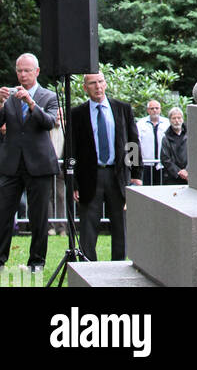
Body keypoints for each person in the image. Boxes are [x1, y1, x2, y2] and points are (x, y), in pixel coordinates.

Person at [67, 70, 143, 261]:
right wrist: (73, 182)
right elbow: (71, 150)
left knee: (120, 226)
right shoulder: (77, 114)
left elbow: (132, 143)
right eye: (92, 83)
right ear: (85, 88)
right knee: (88, 227)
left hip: (117, 176)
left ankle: (118, 265)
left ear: (106, 84)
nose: (97, 86)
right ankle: (88, 267)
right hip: (89, 178)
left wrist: (136, 175)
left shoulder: (122, 109)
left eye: (100, 81)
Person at [0, 53, 60, 270]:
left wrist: (30, 102)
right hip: (11, 163)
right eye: (19, 70)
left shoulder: (49, 96)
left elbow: (49, 122)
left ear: (37, 71)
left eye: (27, 70)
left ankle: (37, 261)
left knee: (39, 216)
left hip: (39, 163)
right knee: (3, 213)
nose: (22, 75)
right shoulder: (8, 97)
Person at [136, 99, 169, 186]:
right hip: (146, 164)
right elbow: (136, 143)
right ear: (148, 110)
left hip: (163, 165)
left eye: (157, 108)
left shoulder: (167, 123)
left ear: (160, 109)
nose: (154, 110)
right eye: (152, 108)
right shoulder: (140, 124)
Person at [159, 108, 188, 184]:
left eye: (179, 118)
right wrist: (179, 172)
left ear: (183, 119)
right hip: (172, 177)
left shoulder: (191, 135)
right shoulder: (166, 138)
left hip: (189, 176)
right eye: (174, 118)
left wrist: (187, 170)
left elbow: (196, 154)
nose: (177, 121)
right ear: (170, 120)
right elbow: (165, 158)